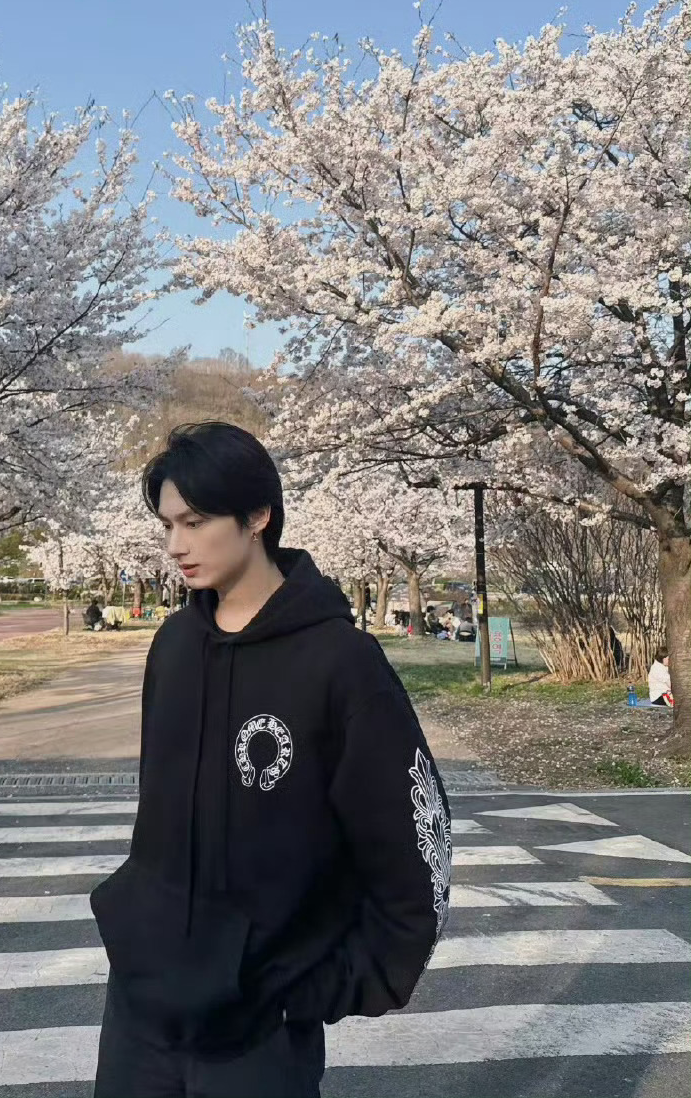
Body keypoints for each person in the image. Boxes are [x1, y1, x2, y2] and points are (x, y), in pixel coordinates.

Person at [91, 421, 452, 1098]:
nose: (175, 546)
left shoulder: (341, 662)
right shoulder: (173, 646)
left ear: (258, 515)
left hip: (261, 1025)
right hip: (140, 1012)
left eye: (195, 522)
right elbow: (157, 817)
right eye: (167, 525)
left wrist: (329, 986)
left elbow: (415, 845)